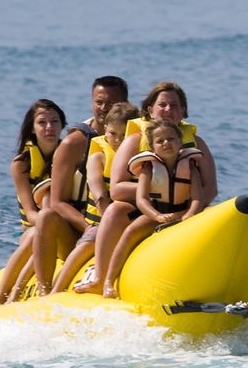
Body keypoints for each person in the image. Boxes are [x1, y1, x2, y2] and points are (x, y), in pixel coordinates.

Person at [75, 80, 218, 293]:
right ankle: (101, 278)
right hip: (144, 210)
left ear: (183, 111)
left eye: (174, 105)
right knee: (115, 209)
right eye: (162, 105)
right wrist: (159, 192)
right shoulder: (134, 142)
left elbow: (210, 189)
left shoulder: (196, 145)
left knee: (221, 215)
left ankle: (235, 280)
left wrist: (187, 212)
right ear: (150, 110)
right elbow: (116, 189)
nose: (168, 110)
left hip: (186, 210)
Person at [101, 120, 208, 299]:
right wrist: (157, 216)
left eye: (171, 139)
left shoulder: (190, 166)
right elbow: (141, 199)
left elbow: (198, 198)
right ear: (152, 146)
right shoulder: (148, 167)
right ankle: (108, 281)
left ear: (180, 142)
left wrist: (189, 216)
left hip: (183, 213)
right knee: (129, 233)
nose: (166, 143)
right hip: (156, 214)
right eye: (160, 141)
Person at [0, 98, 85, 302]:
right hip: (32, 230)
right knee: (37, 231)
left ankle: (16, 294)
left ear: (62, 126)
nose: (49, 128)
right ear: (32, 128)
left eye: (54, 122)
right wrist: (45, 221)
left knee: (44, 223)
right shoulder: (21, 164)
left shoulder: (70, 156)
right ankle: (1, 298)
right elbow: (30, 212)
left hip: (65, 228)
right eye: (42, 122)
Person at [50, 100, 138, 292]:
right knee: (87, 244)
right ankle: (57, 289)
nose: (117, 140)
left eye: (124, 136)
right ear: (105, 128)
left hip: (129, 219)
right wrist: (110, 223)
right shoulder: (97, 157)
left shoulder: (138, 156)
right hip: (101, 221)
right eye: (113, 134)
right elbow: (99, 195)